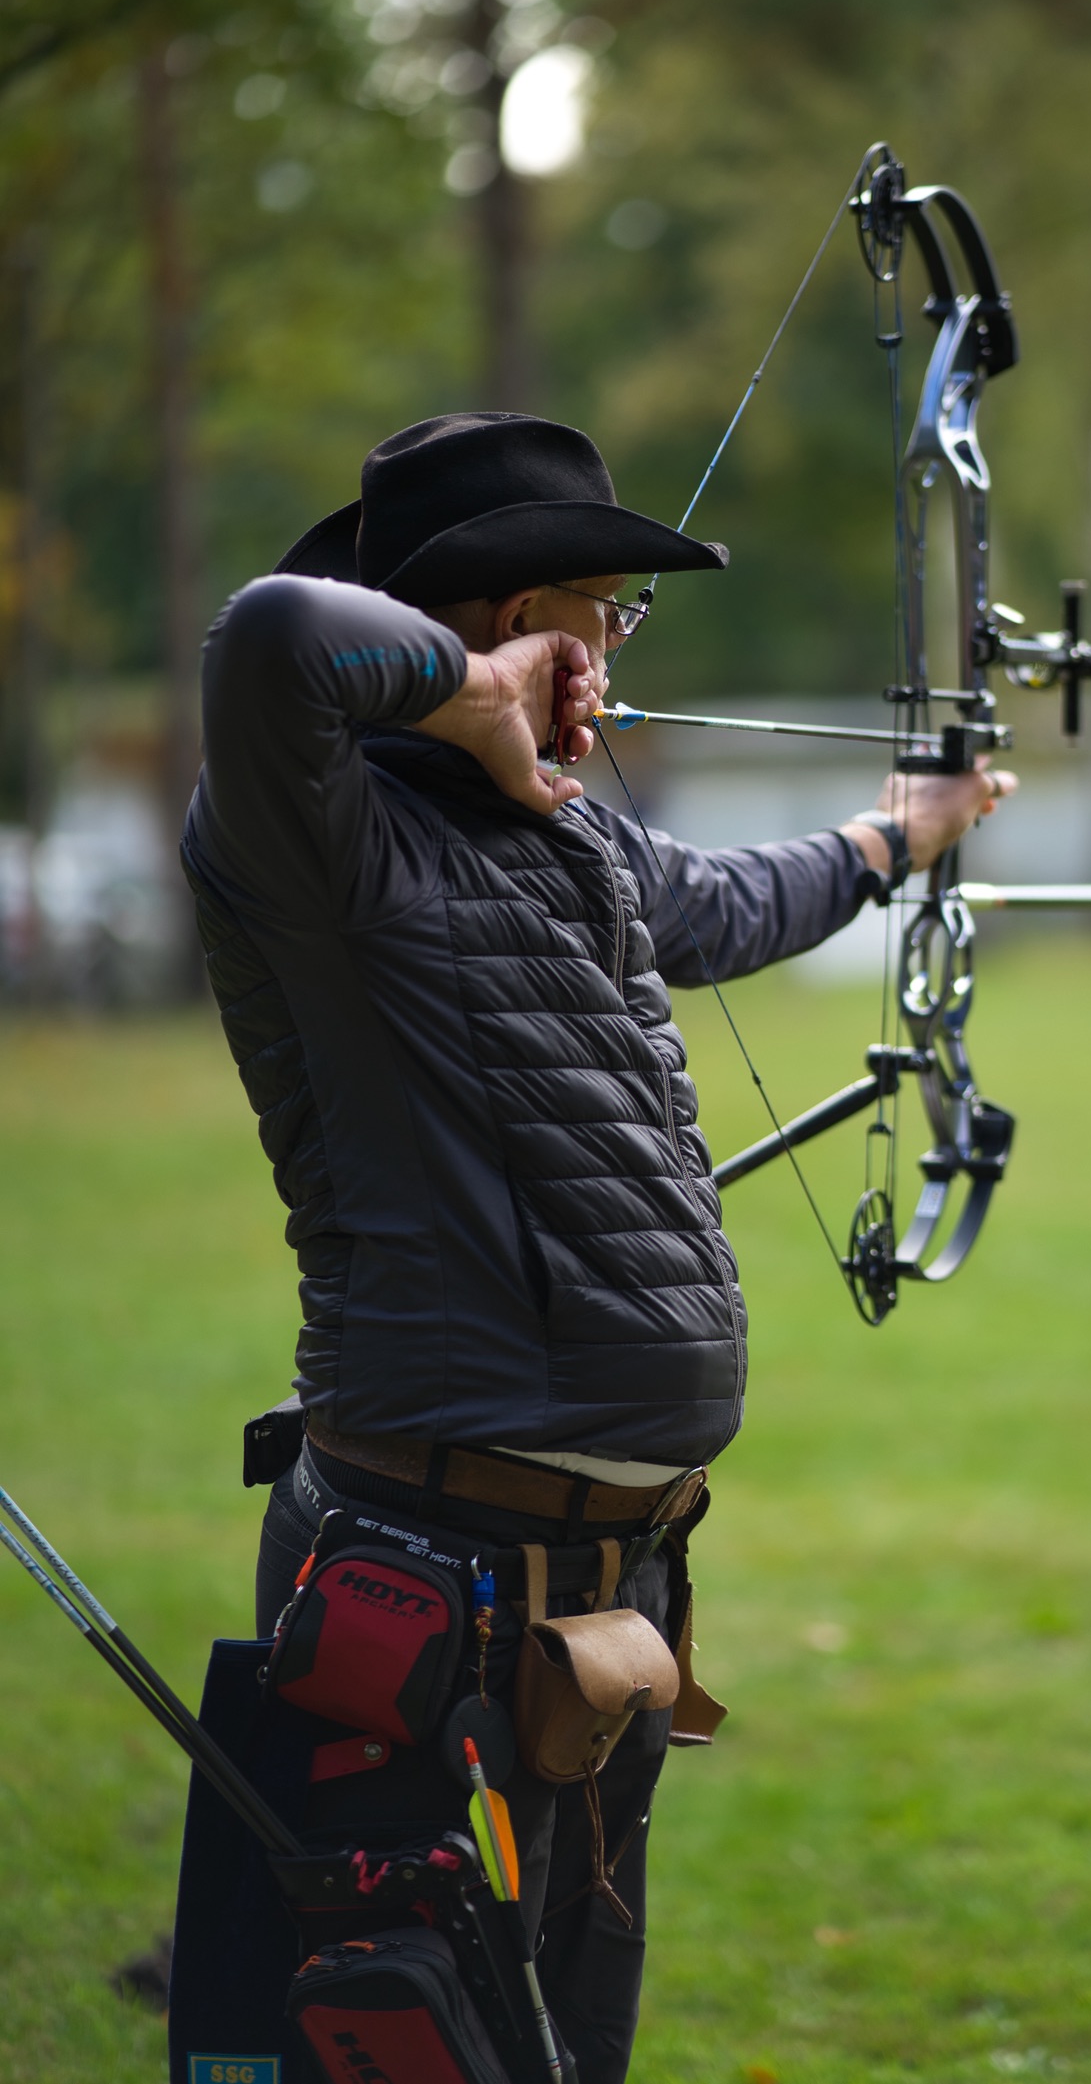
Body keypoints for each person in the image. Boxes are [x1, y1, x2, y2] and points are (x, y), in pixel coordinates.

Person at [182, 410, 1014, 2082]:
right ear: (496, 623)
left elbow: (727, 902)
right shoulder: (320, 835)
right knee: (416, 2027)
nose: (617, 660)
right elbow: (271, 636)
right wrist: (475, 701)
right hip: (431, 1571)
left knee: (560, 2040)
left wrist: (888, 838)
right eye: (598, 614)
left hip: (601, 1592)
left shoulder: (575, 842)